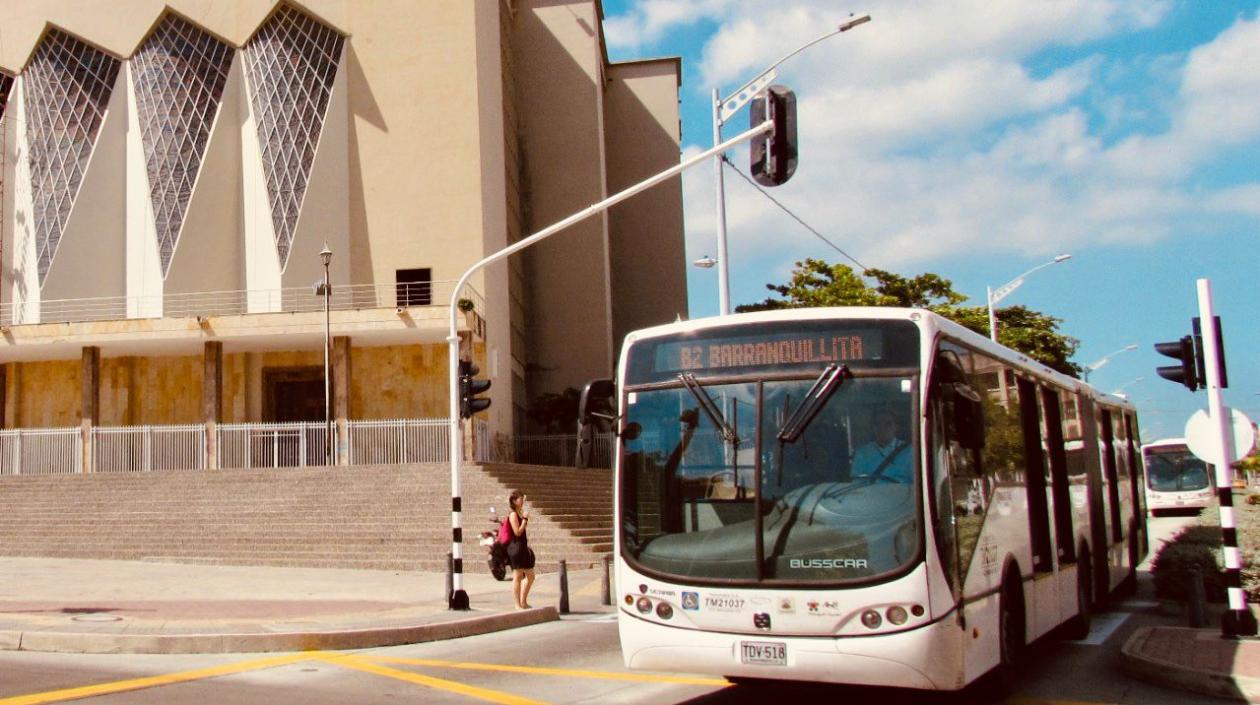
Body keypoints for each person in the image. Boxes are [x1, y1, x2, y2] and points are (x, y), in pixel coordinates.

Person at [850, 408, 912, 483]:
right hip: (871, 490)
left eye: (888, 424)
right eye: (877, 424)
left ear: (896, 427)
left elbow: (915, 481)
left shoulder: (909, 451)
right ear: (872, 428)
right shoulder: (862, 453)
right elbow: (856, 482)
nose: (882, 428)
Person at [506, 490, 536, 609]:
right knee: (518, 577)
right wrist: (525, 519)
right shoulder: (513, 514)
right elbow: (517, 532)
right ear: (514, 501)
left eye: (523, 499)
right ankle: (517, 604)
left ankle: (523, 601)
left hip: (523, 548)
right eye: (520, 499)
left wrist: (524, 517)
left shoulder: (520, 512)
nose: (522, 500)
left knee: (531, 576)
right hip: (516, 548)